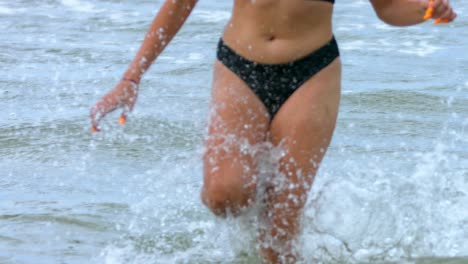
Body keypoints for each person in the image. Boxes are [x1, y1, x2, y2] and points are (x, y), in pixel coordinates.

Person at [90, 0, 456, 263]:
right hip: (239, 65)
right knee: (225, 195)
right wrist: (131, 77)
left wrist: (427, 8)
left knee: (279, 235)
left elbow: (388, 6)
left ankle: (284, 218)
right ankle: (263, 196)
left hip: (313, 71)